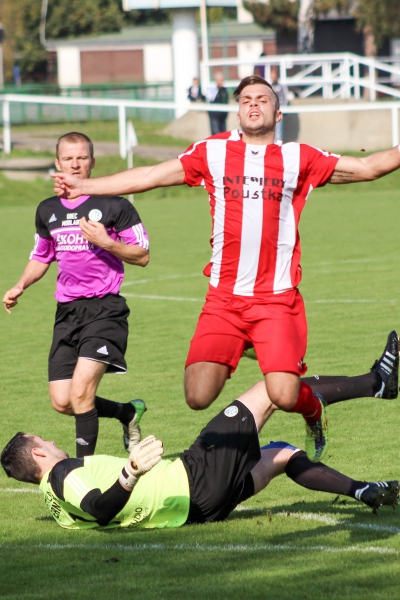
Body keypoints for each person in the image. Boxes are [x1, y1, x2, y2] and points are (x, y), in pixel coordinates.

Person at [51, 75, 400, 464]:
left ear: (278, 113)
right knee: (197, 396)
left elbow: (368, 166)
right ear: (237, 112)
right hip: (224, 301)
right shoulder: (213, 151)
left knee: (284, 395)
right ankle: (250, 344)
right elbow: (150, 176)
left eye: (263, 99)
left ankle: (314, 409)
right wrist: (86, 187)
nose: (254, 104)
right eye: (246, 99)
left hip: (276, 300)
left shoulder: (298, 157)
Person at [2, 375, 399, 531]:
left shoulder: (55, 501)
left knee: (281, 454)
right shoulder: (62, 474)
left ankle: (362, 490)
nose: (52, 442)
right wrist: (131, 473)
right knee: (273, 389)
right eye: (44, 441)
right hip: (195, 478)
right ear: (38, 454)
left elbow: (95, 513)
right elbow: (99, 509)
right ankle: (378, 383)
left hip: (200, 509)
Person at [2, 132, 150, 459]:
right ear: (58, 164)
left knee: (81, 393)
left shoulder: (115, 204)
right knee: (63, 401)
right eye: (68, 158)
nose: (75, 164)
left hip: (105, 310)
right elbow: (42, 256)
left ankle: (84, 472)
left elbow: (142, 255)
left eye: (82, 158)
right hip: (67, 312)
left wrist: (107, 242)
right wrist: (20, 285)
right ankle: (127, 413)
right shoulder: (47, 209)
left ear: (92, 162)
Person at [270, 67, 288, 142]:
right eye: (272, 76)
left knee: (279, 132)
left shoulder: (282, 87)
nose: (273, 78)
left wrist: (282, 109)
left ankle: (279, 146)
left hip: (279, 111)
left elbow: (285, 99)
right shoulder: (269, 87)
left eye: (274, 76)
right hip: (270, 112)